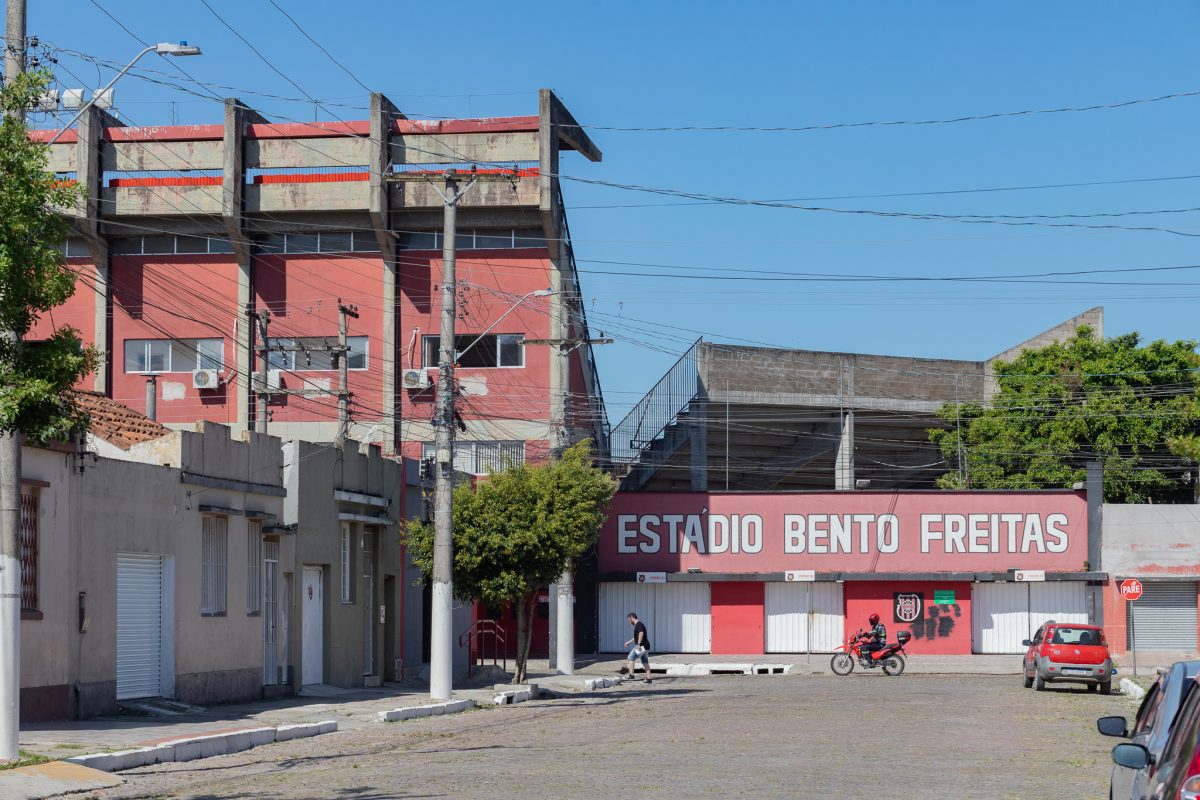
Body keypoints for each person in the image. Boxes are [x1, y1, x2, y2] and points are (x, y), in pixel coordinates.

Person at [619, 612, 652, 683]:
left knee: (631, 657)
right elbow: (636, 637)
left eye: (629, 620)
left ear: (632, 618)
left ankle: (631, 675)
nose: (629, 622)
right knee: (645, 661)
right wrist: (629, 642)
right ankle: (649, 678)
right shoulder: (639, 625)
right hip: (646, 647)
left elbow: (641, 633)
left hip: (642, 646)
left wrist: (638, 644)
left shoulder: (639, 624)